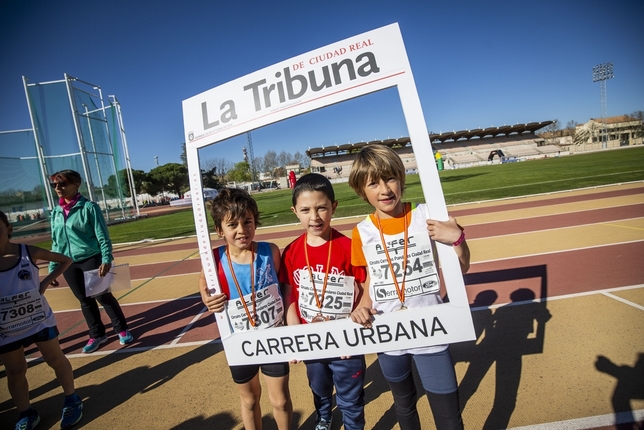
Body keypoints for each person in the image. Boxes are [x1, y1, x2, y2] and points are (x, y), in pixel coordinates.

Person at [348, 144, 471, 430]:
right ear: (361, 191)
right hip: (387, 329)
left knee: (448, 415)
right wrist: (363, 304)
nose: (385, 189)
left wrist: (458, 240)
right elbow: (371, 280)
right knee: (404, 404)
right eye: (373, 183)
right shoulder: (361, 232)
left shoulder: (427, 216)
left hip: (430, 327)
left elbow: (461, 267)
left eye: (390, 178)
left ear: (401, 178)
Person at [198, 188, 293, 430]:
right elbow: (204, 281)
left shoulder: (270, 251)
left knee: (280, 400)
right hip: (239, 341)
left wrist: (291, 331)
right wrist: (206, 297)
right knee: (250, 399)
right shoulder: (214, 259)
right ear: (220, 230)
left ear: (255, 222)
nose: (242, 230)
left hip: (273, 337)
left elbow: (285, 287)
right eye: (233, 225)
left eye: (248, 222)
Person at [280, 174, 367, 430]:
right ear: (295, 211)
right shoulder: (292, 251)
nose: (314, 217)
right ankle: (324, 416)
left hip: (345, 339)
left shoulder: (348, 246)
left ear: (334, 207)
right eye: (306, 210)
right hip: (311, 340)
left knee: (350, 395)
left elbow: (362, 289)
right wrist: (295, 333)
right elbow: (289, 296)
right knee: (318, 387)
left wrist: (354, 330)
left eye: (321, 208)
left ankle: (353, 425)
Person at [0, 211, 83, 430]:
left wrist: (45, 282)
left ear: (8, 229)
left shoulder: (28, 253)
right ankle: (26, 413)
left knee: (55, 359)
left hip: (38, 320)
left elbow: (65, 260)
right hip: (6, 328)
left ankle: (72, 399)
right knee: (15, 370)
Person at [48, 170, 133, 353]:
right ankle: (97, 334)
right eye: (54, 185)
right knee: (84, 301)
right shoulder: (55, 212)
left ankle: (122, 329)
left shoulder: (89, 208)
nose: (58, 188)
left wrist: (106, 258)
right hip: (68, 263)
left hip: (91, 258)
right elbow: (56, 242)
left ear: (76, 184)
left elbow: (102, 236)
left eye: (62, 184)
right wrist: (52, 268)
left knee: (103, 296)